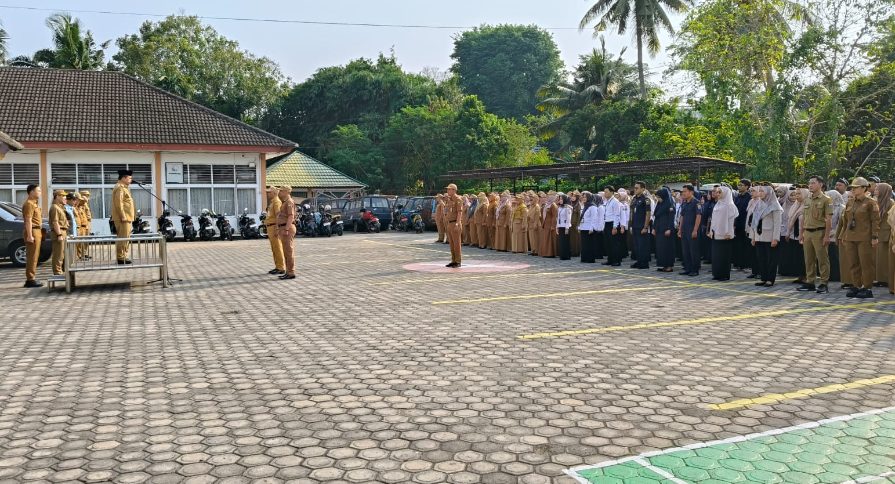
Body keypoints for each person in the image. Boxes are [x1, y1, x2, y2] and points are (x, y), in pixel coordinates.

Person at [837, 177, 880, 298]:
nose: (853, 190)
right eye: (852, 188)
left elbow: (875, 221)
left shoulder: (871, 202)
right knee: (853, 263)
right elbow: (846, 221)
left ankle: (867, 288)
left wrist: (875, 236)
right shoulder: (850, 202)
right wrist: (844, 235)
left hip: (865, 238)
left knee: (866, 264)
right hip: (851, 237)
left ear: (864, 188)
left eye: (856, 188)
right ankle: (856, 286)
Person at [797, 175, 834, 293]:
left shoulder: (826, 200)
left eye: (813, 183)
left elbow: (829, 219)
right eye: (810, 183)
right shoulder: (807, 199)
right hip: (807, 232)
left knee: (822, 259)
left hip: (819, 232)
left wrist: (827, 236)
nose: (810, 185)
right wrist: (801, 232)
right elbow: (804, 217)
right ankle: (810, 282)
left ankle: (823, 283)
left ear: (820, 185)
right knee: (809, 259)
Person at [751, 184, 783, 287]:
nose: (760, 193)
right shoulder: (758, 204)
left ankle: (770, 279)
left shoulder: (775, 206)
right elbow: (754, 222)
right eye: (759, 191)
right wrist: (753, 237)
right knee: (761, 258)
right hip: (759, 235)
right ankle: (763, 278)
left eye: (762, 191)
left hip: (770, 236)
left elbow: (777, 224)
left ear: (769, 192)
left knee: (771, 259)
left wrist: (775, 238)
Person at [709, 186, 737, 281]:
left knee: (724, 255)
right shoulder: (718, 204)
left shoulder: (730, 206)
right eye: (718, 192)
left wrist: (728, 233)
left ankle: (724, 274)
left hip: (725, 234)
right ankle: (717, 273)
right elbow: (714, 220)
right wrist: (710, 231)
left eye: (720, 192)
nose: (718, 194)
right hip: (716, 233)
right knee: (716, 255)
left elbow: (731, 221)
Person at [677, 185, 702, 276]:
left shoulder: (697, 203)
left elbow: (698, 217)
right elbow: (682, 216)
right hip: (684, 229)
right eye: (682, 192)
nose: (682, 193)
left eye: (685, 191)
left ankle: (695, 269)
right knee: (685, 250)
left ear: (691, 192)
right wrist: (680, 229)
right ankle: (687, 268)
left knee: (693, 250)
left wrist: (695, 230)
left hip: (692, 229)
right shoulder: (684, 202)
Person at [111, 169, 135, 265]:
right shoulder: (120, 188)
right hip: (123, 218)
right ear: (123, 178)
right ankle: (121, 257)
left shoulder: (124, 187)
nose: (130, 180)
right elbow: (119, 204)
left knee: (126, 238)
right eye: (129, 178)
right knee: (123, 238)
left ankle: (124, 256)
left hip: (127, 217)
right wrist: (123, 216)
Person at [22, 185, 43, 288]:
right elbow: (28, 220)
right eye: (38, 191)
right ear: (31, 192)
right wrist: (30, 236)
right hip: (33, 231)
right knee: (32, 257)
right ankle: (30, 279)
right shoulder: (29, 204)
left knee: (35, 256)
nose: (40, 193)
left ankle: (32, 277)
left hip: (37, 230)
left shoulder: (35, 204)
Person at [787, 187, 808, 284]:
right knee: (796, 257)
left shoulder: (807, 206)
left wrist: (803, 234)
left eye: (799, 194)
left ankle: (806, 276)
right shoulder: (795, 205)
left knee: (804, 257)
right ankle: (800, 275)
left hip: (804, 236)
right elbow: (790, 220)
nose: (797, 196)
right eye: (796, 194)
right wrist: (788, 233)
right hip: (794, 236)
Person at [653, 187, 676, 273]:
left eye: (659, 197)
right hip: (659, 229)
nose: (658, 199)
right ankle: (664, 265)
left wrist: (669, 229)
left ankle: (669, 266)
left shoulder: (670, 205)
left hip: (666, 229)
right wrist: (654, 228)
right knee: (661, 249)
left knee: (668, 248)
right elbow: (656, 217)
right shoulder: (659, 205)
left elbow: (671, 218)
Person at [275, 186, 296, 279]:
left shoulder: (289, 202)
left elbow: (291, 217)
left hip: (287, 228)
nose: (279, 192)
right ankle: (288, 272)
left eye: (281, 191)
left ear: (287, 192)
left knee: (288, 251)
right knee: (285, 251)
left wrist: (286, 229)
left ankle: (291, 272)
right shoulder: (284, 202)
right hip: (282, 227)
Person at [264, 186, 285, 275]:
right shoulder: (272, 202)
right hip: (270, 227)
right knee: (274, 248)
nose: (267, 194)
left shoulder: (277, 202)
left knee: (277, 248)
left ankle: (281, 267)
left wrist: (277, 228)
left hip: (274, 227)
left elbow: (278, 216)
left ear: (274, 193)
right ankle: (277, 266)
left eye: (269, 192)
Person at [631, 181, 652, 269]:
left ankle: (644, 262)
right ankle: (639, 260)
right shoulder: (634, 199)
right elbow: (632, 212)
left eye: (637, 188)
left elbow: (648, 213)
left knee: (643, 245)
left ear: (643, 189)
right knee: (637, 245)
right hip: (635, 225)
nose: (635, 189)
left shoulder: (646, 199)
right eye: (634, 188)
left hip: (641, 225)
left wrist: (645, 226)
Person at [875, 183, 893, 288]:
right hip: (878, 233)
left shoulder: (890, 203)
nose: (876, 190)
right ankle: (880, 278)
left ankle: (886, 279)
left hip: (886, 234)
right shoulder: (876, 201)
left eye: (878, 189)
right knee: (878, 258)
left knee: (884, 258)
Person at [733, 179, 752, 270]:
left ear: (747, 186)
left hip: (745, 224)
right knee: (738, 244)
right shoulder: (737, 197)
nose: (739, 187)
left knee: (746, 245)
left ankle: (746, 264)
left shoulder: (749, 197)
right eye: (739, 185)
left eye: (742, 185)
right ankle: (738, 263)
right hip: (738, 224)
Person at [48, 189, 69, 275]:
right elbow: (55, 222)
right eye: (63, 196)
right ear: (57, 197)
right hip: (58, 232)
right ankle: (57, 271)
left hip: (63, 231)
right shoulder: (54, 208)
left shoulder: (60, 207)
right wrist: (59, 234)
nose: (65, 198)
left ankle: (60, 270)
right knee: (58, 254)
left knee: (62, 253)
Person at [444, 184, 463, 268]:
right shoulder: (449, 200)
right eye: (447, 189)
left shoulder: (458, 200)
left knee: (456, 244)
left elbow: (459, 213)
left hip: (455, 223)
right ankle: (453, 260)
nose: (448, 191)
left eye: (449, 189)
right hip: (449, 223)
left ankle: (458, 261)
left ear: (454, 190)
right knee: (451, 244)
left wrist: (457, 224)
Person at [827, 189, 844, 283]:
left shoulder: (842, 207)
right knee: (828, 256)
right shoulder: (828, 206)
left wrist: (834, 232)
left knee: (835, 256)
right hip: (826, 235)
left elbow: (841, 222)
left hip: (835, 235)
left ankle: (837, 275)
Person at [602, 186, 623, 266]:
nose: (605, 193)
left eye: (606, 192)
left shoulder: (615, 201)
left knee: (614, 243)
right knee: (608, 243)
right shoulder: (608, 201)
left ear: (612, 192)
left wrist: (615, 227)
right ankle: (610, 259)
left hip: (612, 223)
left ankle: (617, 260)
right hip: (607, 223)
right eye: (604, 192)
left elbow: (617, 215)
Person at [579, 191, 600, 263]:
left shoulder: (593, 207)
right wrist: (579, 226)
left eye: (586, 197)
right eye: (583, 197)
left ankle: (590, 258)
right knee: (584, 244)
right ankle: (584, 258)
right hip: (583, 227)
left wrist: (591, 228)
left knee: (589, 244)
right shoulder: (584, 206)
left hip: (589, 228)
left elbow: (594, 218)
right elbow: (581, 217)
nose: (584, 199)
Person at [745, 184, 761, 278]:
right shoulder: (751, 201)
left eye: (754, 191)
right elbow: (748, 216)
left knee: (758, 252)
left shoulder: (760, 202)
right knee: (752, 252)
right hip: (749, 229)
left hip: (757, 230)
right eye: (751, 191)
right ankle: (754, 271)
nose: (752, 193)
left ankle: (759, 271)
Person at [540, 192, 558, 258]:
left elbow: (554, 216)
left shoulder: (553, 205)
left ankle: (550, 253)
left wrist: (553, 225)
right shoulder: (546, 205)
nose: (547, 198)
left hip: (550, 224)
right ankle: (545, 252)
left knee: (549, 239)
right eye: (547, 197)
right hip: (545, 223)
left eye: (548, 197)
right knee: (546, 239)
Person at [556, 194, 572, 260]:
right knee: (561, 241)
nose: (560, 200)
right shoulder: (560, 207)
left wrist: (567, 228)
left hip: (565, 226)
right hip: (560, 226)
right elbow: (558, 217)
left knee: (565, 241)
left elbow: (568, 218)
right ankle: (562, 254)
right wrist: (557, 226)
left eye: (562, 199)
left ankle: (566, 255)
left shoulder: (567, 208)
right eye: (560, 199)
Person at [526, 191, 541, 256]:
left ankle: (536, 250)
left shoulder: (537, 206)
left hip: (535, 224)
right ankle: (533, 250)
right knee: (531, 238)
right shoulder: (531, 206)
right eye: (530, 198)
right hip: (530, 224)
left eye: (532, 198)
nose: (531, 199)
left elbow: (537, 217)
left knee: (535, 238)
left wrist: (535, 224)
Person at [569, 191, 582, 257]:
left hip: (576, 223)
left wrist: (578, 224)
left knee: (577, 238)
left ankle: (577, 251)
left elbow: (580, 215)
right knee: (572, 238)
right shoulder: (571, 204)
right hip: (571, 223)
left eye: (574, 196)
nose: (573, 198)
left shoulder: (578, 205)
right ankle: (572, 250)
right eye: (572, 196)